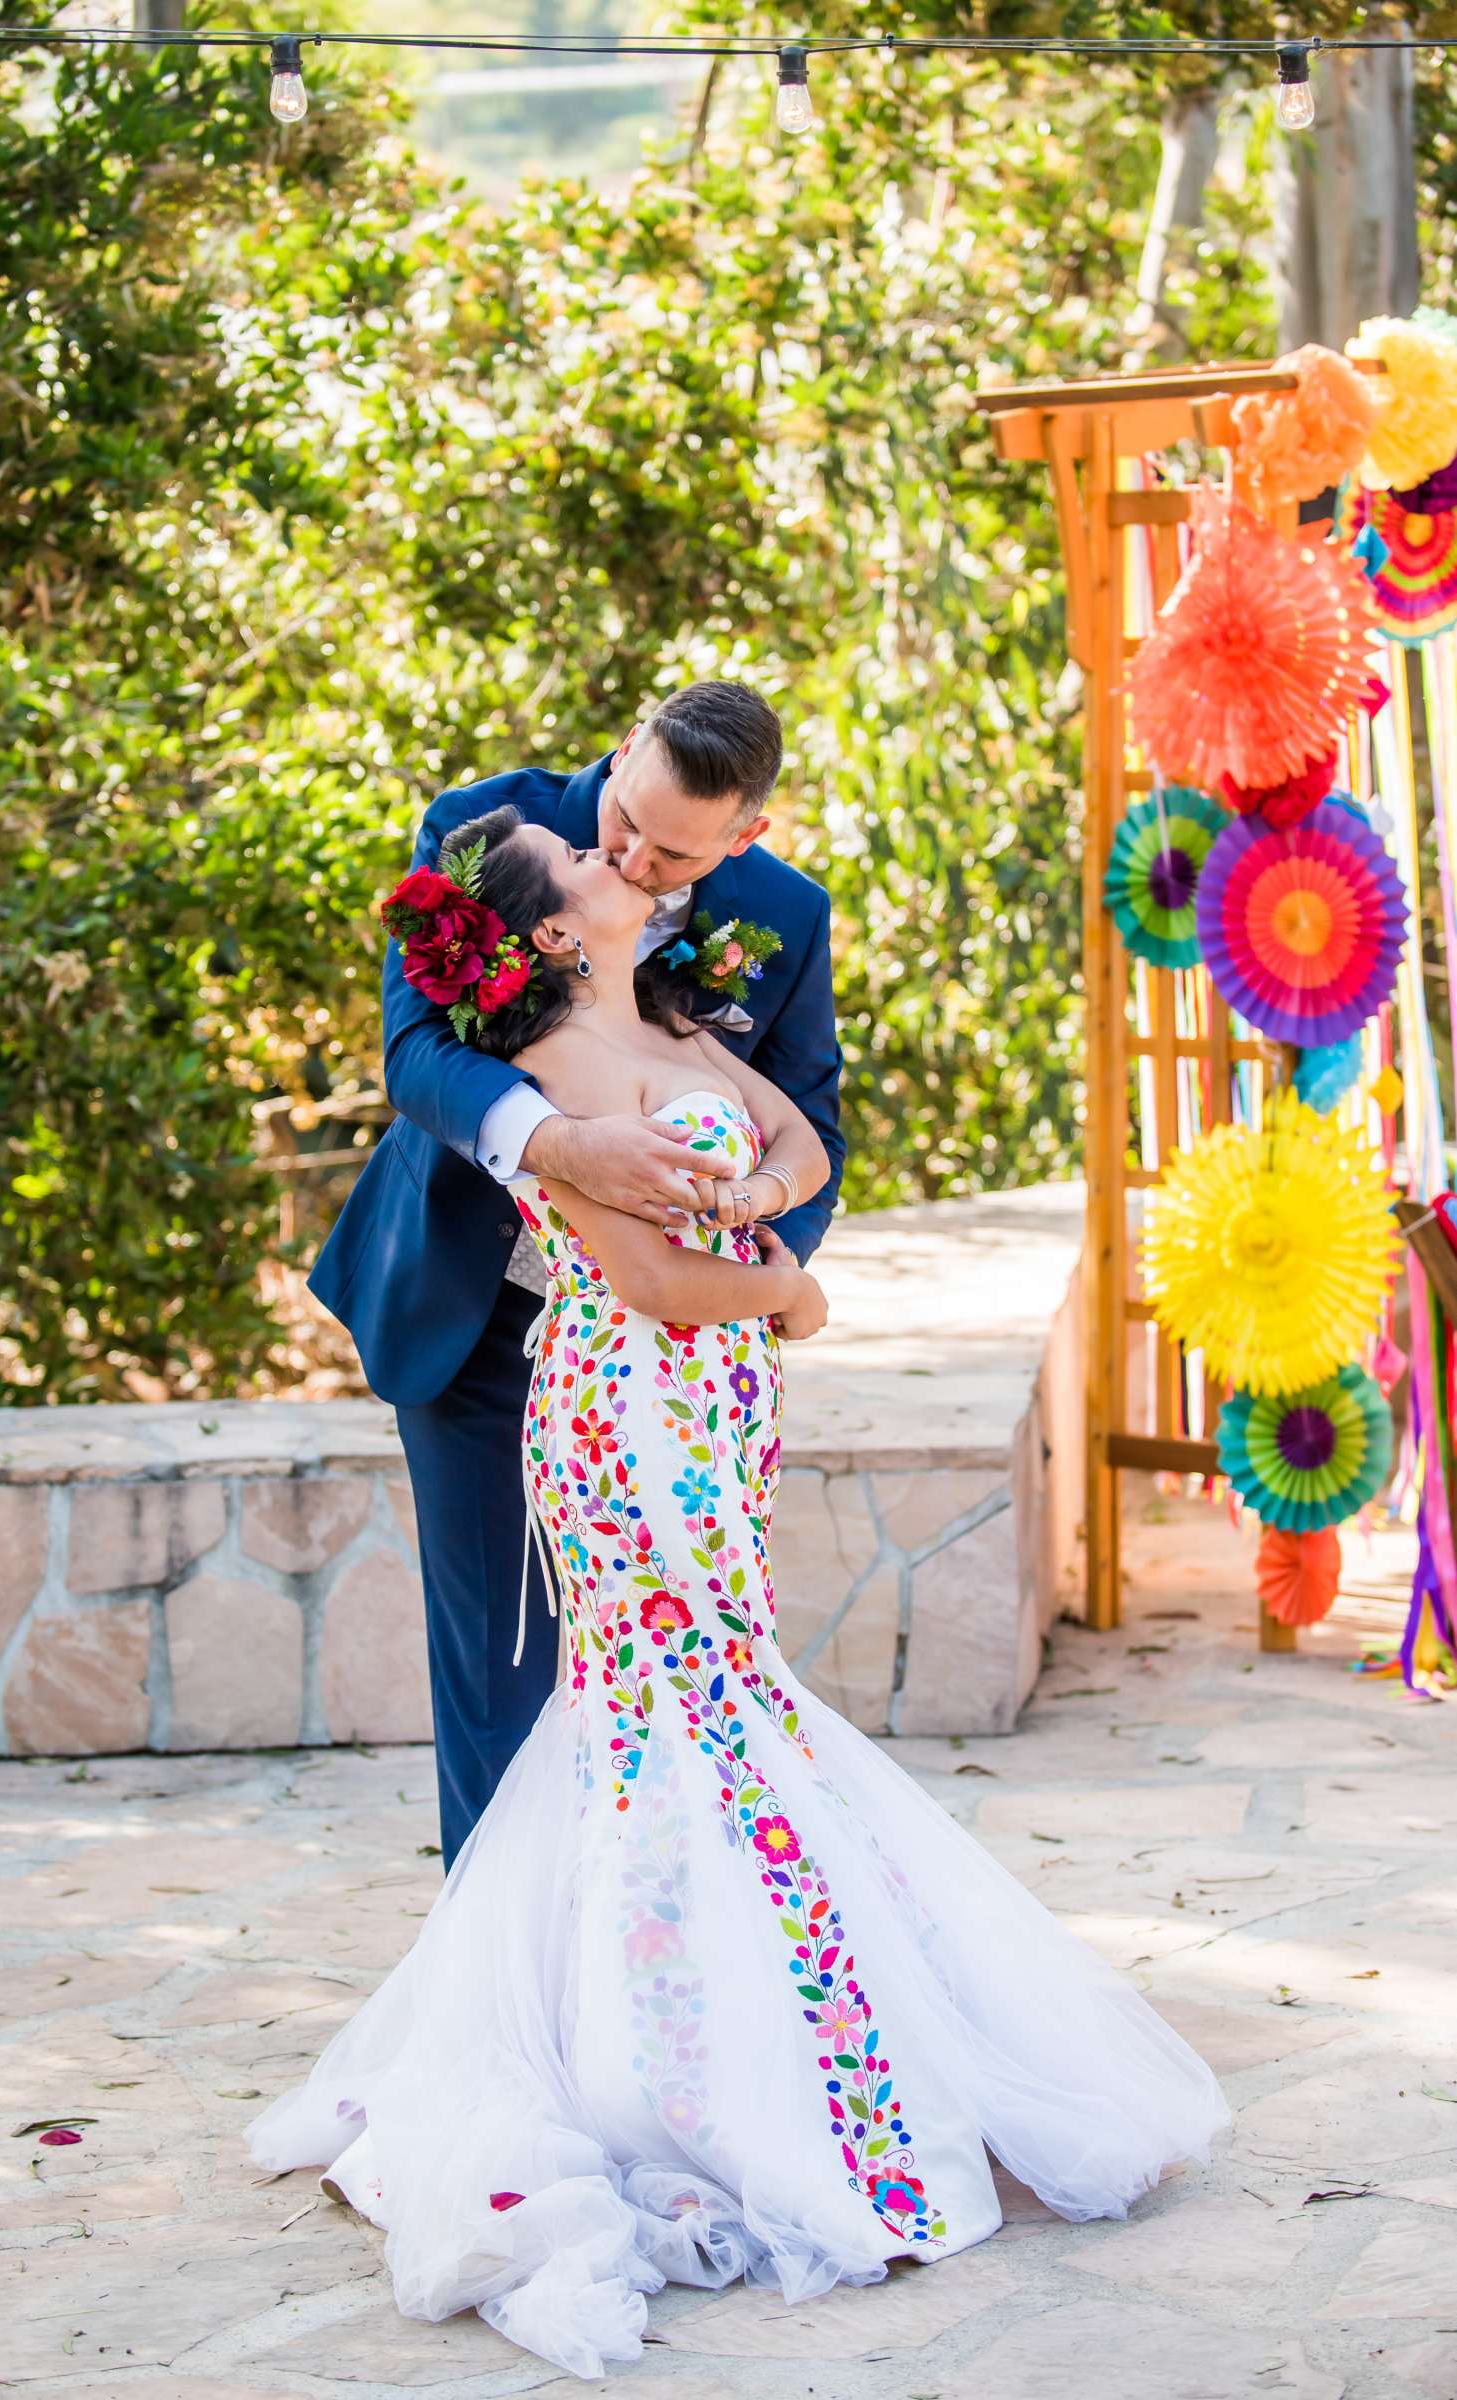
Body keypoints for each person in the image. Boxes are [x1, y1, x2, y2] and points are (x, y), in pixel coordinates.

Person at [250, 807, 1228, 2381]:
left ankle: (774, 2019)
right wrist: (784, 1283)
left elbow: (800, 1139)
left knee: (720, 1691)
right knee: (669, 1706)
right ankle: (679, 2059)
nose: (610, 860)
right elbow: (638, 1277)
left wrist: (757, 1204)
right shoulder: (550, 1077)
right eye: (581, 865)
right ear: (555, 933)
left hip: (713, 1409)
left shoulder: (674, 1019)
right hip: (627, 1405)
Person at [309, 683, 843, 1868]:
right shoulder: (489, 832)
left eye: (673, 850)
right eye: (624, 816)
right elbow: (415, 1056)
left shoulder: (785, 917)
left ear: (744, 836)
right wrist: (557, 1145)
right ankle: (512, 1993)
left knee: (695, 1662)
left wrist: (758, 1275)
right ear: (625, 745)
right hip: (474, 1310)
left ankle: (672, 1959)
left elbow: (813, 1122)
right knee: (503, 1661)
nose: (632, 853)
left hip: (685, 1373)